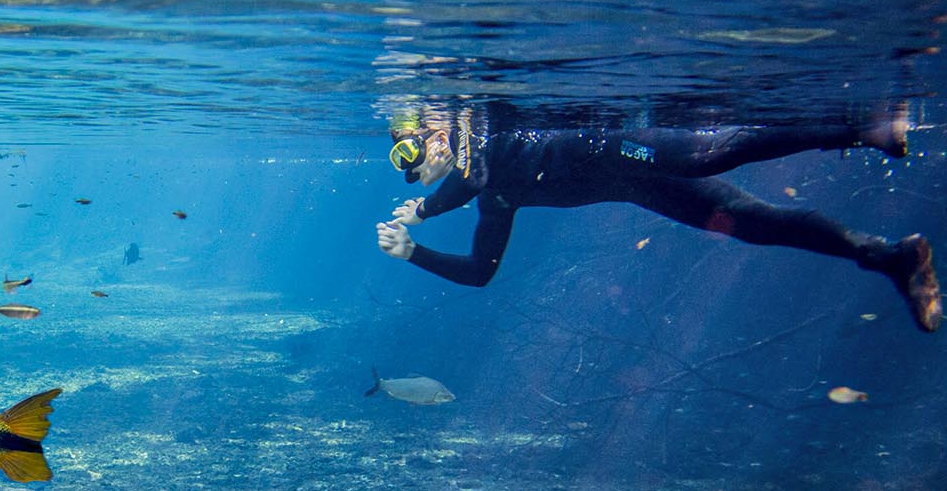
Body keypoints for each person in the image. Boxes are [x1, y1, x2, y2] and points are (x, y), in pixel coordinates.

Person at [375, 102, 942, 332]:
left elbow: (470, 171)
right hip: (645, 189)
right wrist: (412, 253)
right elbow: (480, 272)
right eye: (410, 171)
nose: (417, 171)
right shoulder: (493, 196)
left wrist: (424, 211)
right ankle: (890, 256)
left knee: (711, 152)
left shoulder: (481, 130)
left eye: (412, 156)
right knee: (754, 224)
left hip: (625, 149)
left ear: (433, 132)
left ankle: (863, 128)